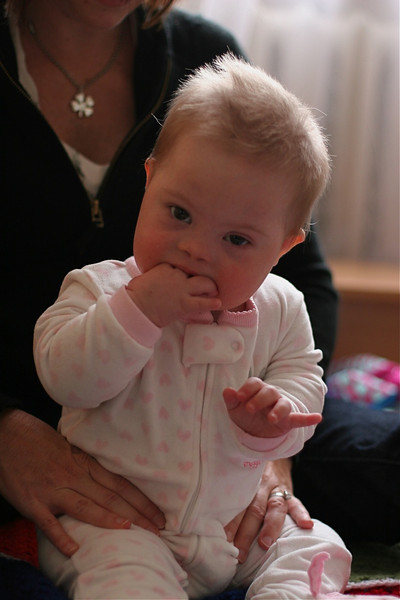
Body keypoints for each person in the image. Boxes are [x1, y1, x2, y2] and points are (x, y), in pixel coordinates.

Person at [0, 0, 398, 585]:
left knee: (313, 540)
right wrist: (134, 314)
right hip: (117, 505)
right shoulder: (101, 289)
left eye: (236, 239)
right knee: (122, 573)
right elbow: (66, 375)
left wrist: (278, 431)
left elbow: (302, 372)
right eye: (180, 214)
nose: (197, 250)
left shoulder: (280, 304)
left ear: (281, 248)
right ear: (150, 179)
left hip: (230, 499)